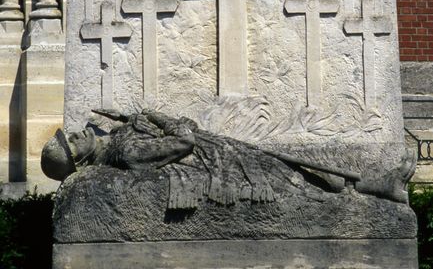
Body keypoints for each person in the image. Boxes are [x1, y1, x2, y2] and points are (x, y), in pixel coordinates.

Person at [41, 108, 414, 209]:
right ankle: (379, 190)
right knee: (296, 178)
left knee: (299, 168)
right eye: (71, 143)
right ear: (79, 162)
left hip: (219, 152)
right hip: (220, 162)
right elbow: (183, 140)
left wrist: (132, 121)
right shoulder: (127, 151)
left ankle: (378, 186)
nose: (75, 134)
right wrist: (155, 116)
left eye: (69, 135)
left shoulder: (119, 140)